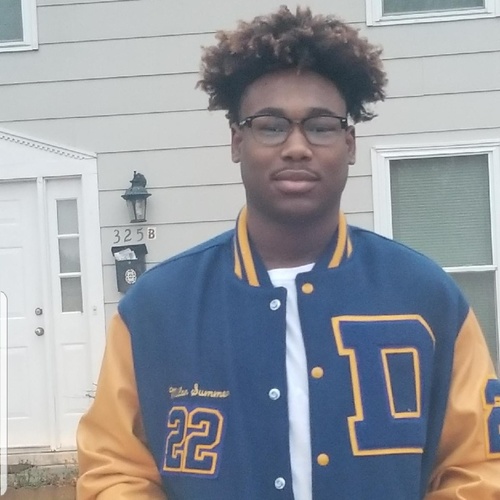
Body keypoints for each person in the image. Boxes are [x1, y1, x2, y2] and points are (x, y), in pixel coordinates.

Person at [76, 6, 500, 499]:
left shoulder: (427, 297)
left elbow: (479, 467)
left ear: (349, 143)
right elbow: (113, 471)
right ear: (237, 141)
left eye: (320, 126)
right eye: (271, 125)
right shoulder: (157, 308)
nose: (297, 146)